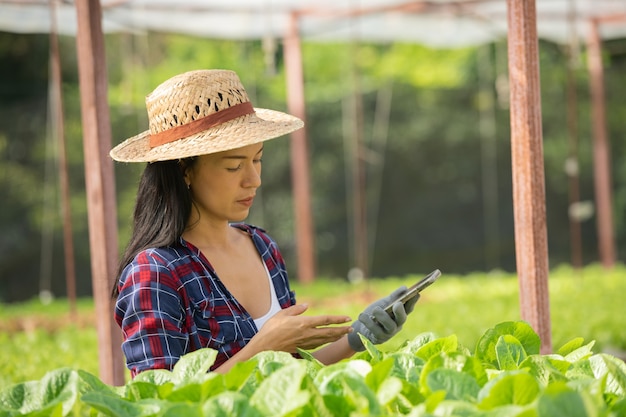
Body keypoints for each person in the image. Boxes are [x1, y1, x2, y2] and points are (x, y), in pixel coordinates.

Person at [110, 69, 418, 377]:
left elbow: (287, 376)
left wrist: (359, 337)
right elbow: (157, 401)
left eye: (257, 160)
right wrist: (263, 347)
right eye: (234, 166)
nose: (253, 180)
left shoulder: (261, 246)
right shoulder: (155, 272)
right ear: (184, 172)